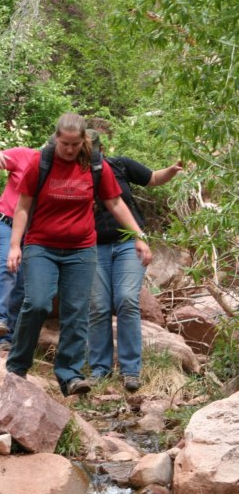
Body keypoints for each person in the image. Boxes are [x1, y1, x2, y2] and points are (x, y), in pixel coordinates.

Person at [5, 113, 153, 396]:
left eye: (75, 144)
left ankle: (70, 375)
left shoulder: (95, 164)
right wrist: (15, 245)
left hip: (82, 249)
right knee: (37, 303)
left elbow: (115, 202)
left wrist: (139, 236)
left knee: (76, 312)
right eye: (65, 144)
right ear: (56, 139)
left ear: (83, 140)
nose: (70, 150)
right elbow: (23, 206)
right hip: (41, 246)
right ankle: (18, 366)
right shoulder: (41, 162)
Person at [88, 130, 183, 391]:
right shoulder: (73, 176)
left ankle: (131, 370)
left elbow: (152, 178)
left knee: (127, 300)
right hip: (93, 247)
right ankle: (100, 369)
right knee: (97, 305)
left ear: (102, 148)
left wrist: (172, 170)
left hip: (128, 243)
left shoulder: (119, 165)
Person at [0, 146, 37, 351]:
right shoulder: (27, 156)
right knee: (7, 262)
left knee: (21, 283)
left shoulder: (62, 174)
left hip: (28, 234)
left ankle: (5, 339)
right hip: (0, 223)